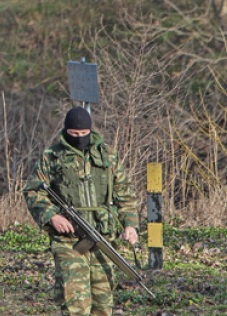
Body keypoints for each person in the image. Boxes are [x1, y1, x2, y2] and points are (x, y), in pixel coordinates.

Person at [22, 107, 140, 316]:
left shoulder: (108, 156)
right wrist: (52, 216)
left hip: (102, 237)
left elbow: (124, 194)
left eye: (84, 134)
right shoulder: (52, 156)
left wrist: (130, 224)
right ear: (66, 131)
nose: (79, 138)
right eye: (74, 134)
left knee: (103, 304)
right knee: (75, 303)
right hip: (68, 240)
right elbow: (33, 192)